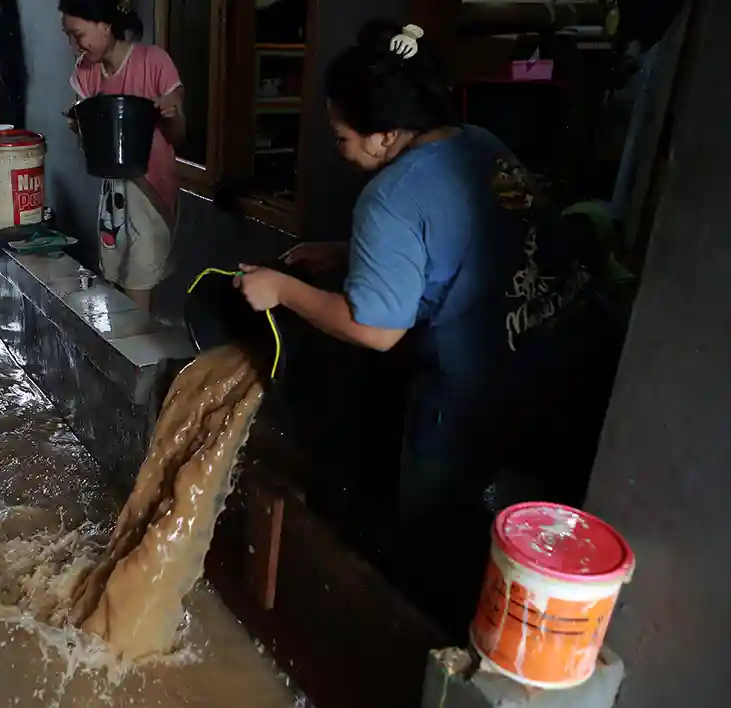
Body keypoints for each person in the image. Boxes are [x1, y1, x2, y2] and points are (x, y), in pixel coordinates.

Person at [234, 23, 602, 576]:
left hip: (473, 396)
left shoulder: (389, 198)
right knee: (533, 537)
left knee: (434, 545)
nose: (341, 149)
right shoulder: (481, 142)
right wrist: (344, 253)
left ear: (384, 134)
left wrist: (279, 287)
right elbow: (469, 240)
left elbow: (375, 329)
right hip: (557, 358)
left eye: (342, 136)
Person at [60, 0, 184, 314]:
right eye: (68, 36)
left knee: (137, 288)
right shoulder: (86, 72)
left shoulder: (153, 62)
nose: (74, 45)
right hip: (113, 191)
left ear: (104, 25)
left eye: (78, 34)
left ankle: (137, 356)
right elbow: (91, 135)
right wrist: (80, 125)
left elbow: (179, 135)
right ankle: (128, 349)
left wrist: (172, 114)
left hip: (149, 190)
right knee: (115, 274)